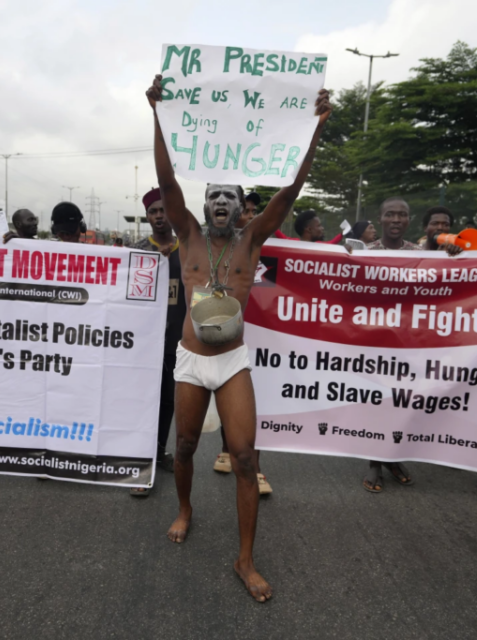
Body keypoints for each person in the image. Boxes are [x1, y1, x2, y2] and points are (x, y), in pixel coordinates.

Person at [147, 73, 331, 602]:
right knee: (183, 446)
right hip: (189, 358)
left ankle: (245, 558)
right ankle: (185, 508)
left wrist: (316, 127)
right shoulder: (188, 236)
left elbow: (292, 190)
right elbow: (166, 179)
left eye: (230, 195)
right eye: (213, 196)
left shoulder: (254, 238)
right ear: (203, 206)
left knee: (246, 457)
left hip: (231, 363)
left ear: (242, 205)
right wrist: (157, 114)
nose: (221, 201)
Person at [212, 194, 273, 496]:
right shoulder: (216, 249)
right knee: (227, 398)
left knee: (255, 403)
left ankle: (256, 467)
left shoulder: (270, 245)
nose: (250, 216)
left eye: (254, 211)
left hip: (263, 336)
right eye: (245, 211)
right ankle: (226, 447)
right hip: (229, 338)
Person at [362, 197, 421, 492]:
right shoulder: (363, 253)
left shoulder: (422, 254)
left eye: (402, 215)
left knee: (401, 402)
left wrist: (453, 255)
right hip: (373, 343)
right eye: (390, 215)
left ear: (409, 220)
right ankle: (375, 463)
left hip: (407, 344)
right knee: (377, 403)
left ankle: (393, 457)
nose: (396, 220)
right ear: (380, 219)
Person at [130, 188, 186, 496]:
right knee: (144, 402)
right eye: (154, 211)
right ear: (148, 217)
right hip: (143, 341)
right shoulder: (137, 248)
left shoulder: (189, 247)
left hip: (177, 341)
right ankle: (140, 463)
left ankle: (160, 451)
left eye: (164, 210)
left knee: (168, 400)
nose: (160, 216)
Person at [274, 210, 343, 244]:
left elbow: (331, 243)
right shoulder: (293, 244)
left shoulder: (320, 246)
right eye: (319, 225)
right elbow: (275, 230)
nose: (322, 228)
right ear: (309, 229)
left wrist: (342, 234)